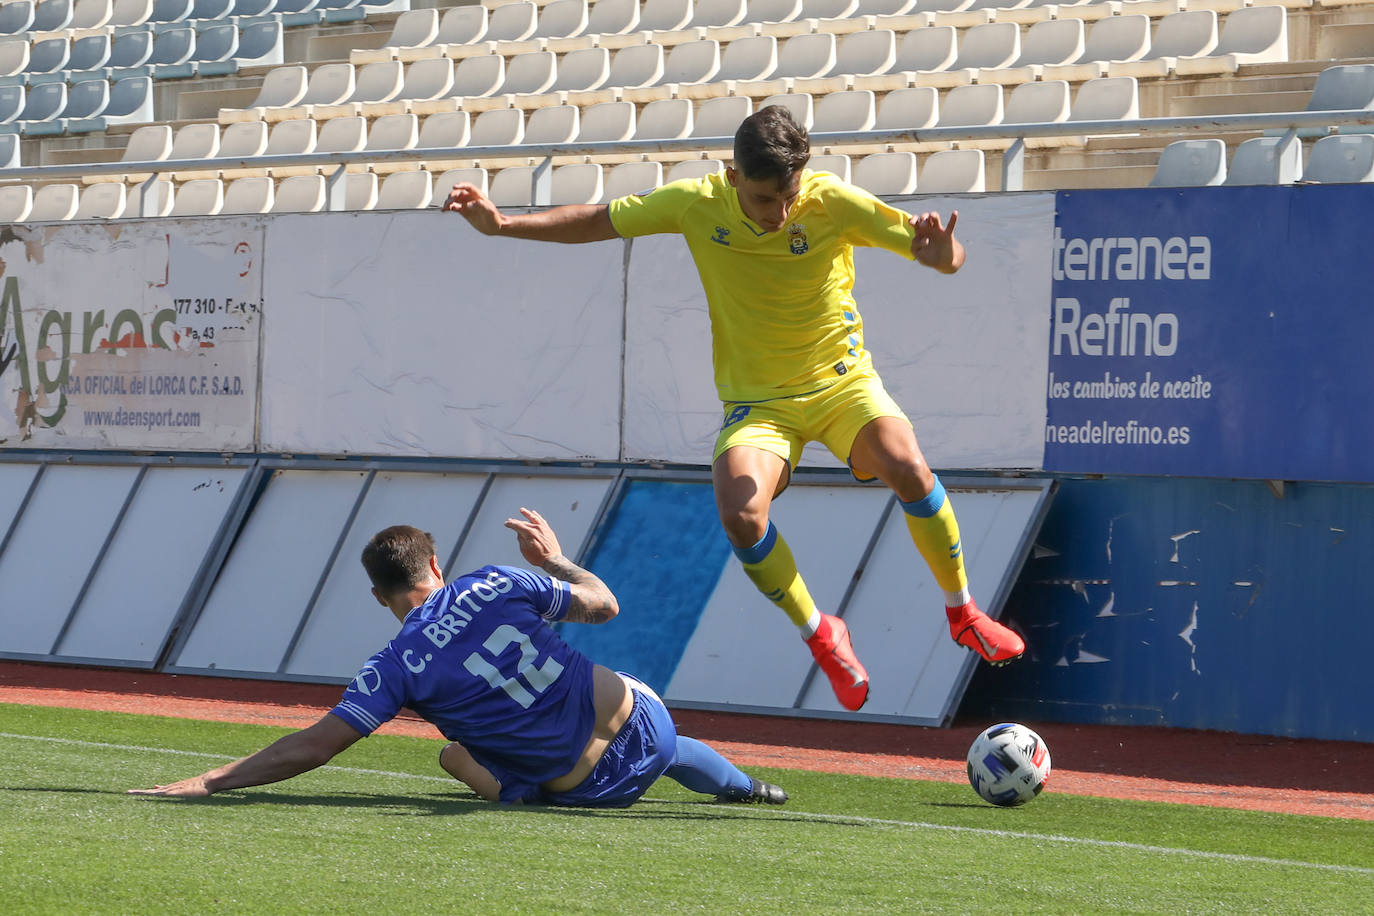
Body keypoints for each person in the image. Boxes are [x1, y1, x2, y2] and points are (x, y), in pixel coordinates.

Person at [442, 105, 1025, 713]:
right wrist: (503, 223)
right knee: (742, 515)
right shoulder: (696, 204)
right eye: (767, 199)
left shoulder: (832, 203)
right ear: (733, 175)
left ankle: (963, 613)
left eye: (789, 196)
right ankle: (821, 634)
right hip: (759, 405)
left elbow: (940, 254)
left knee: (907, 465)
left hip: (842, 385)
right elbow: (598, 220)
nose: (780, 213)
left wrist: (941, 254)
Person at [129, 508, 787, 808]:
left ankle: (526, 789)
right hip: (648, 729)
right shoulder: (497, 581)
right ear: (437, 566)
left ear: (377, 595)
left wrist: (211, 781)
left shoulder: (394, 665)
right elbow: (605, 604)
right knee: (643, 711)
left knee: (451, 753)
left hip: (587, 790)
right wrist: (555, 559)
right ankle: (749, 788)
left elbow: (314, 747)